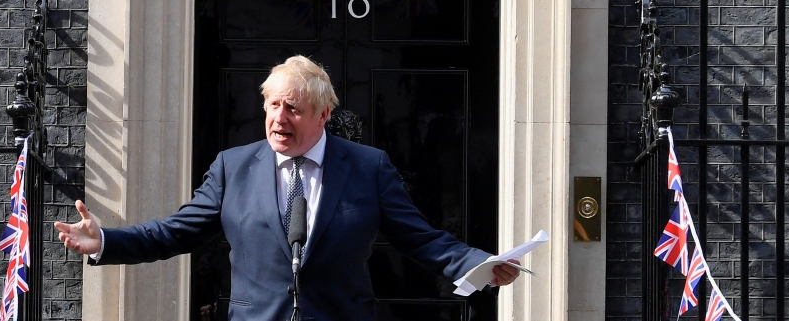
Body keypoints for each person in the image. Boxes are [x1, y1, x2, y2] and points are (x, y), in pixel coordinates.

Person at [56, 55, 519, 320]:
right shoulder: (232, 167)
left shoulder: (367, 167)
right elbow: (176, 231)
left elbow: (421, 237)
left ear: (322, 116)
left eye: (293, 108)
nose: (279, 118)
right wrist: (105, 241)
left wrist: (480, 262)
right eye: (273, 104)